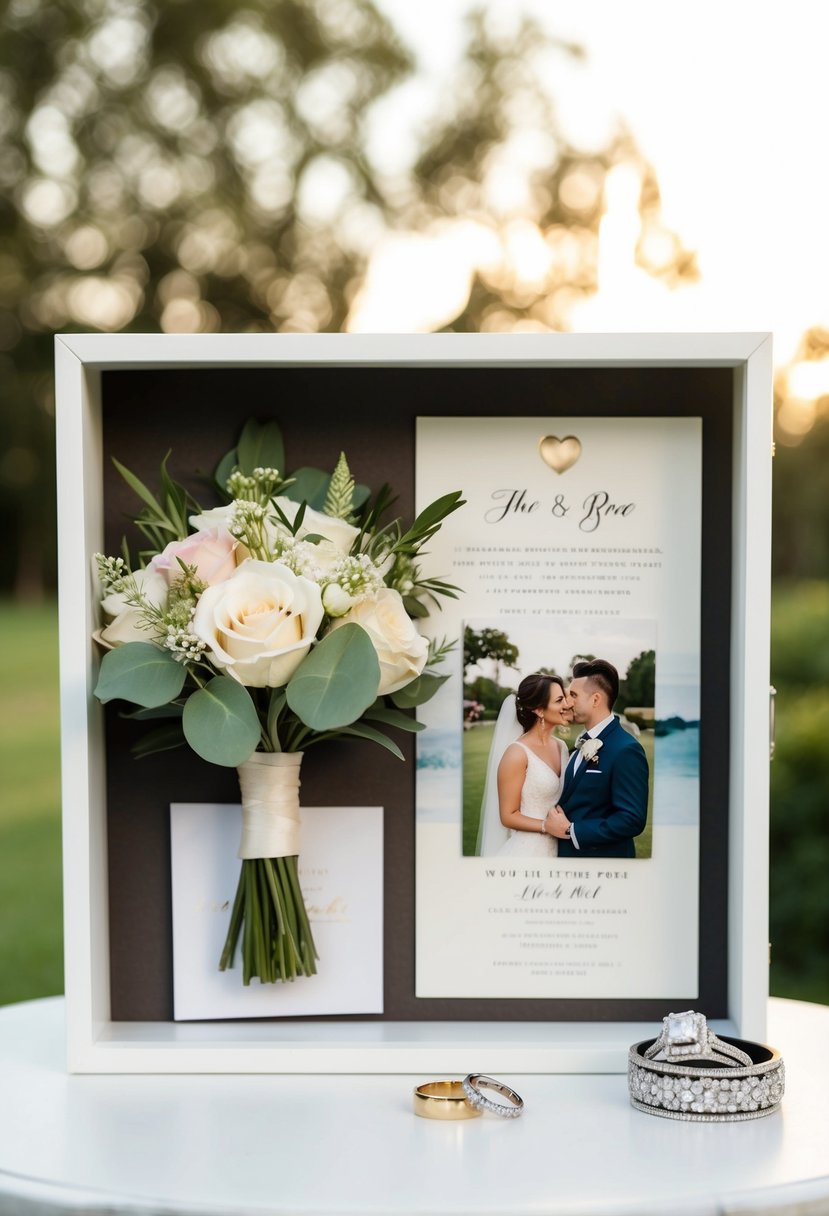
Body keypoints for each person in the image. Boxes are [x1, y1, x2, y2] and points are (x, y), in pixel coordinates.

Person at [544, 659, 648, 858]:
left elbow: (632, 819)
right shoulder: (580, 743)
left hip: (602, 863)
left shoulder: (626, 750)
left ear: (595, 699)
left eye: (574, 695)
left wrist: (571, 830)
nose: (568, 702)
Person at [476, 673, 570, 857]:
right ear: (539, 710)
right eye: (559, 700)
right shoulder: (517, 753)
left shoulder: (562, 747)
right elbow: (508, 815)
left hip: (561, 850)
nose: (566, 705)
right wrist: (546, 826)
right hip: (528, 851)